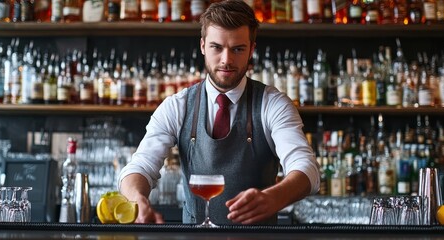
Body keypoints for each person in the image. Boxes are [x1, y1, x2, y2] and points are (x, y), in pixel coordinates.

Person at [118, 0, 320, 225]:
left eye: (238, 49)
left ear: (252, 49)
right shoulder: (178, 105)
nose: (226, 60)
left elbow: (307, 168)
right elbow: (141, 166)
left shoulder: (273, 104)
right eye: (217, 47)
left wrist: (274, 197)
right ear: (203, 46)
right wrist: (136, 199)